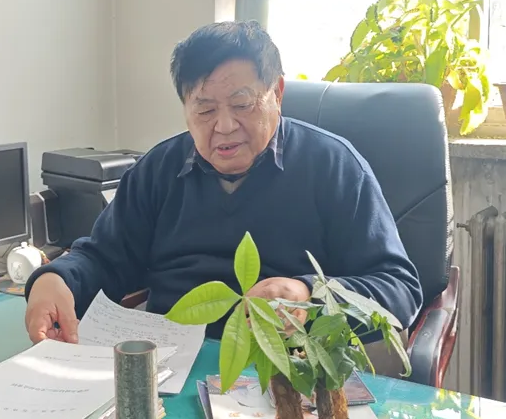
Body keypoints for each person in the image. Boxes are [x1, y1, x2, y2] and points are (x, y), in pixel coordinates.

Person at [24, 21, 422, 345]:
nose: (225, 126)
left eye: (242, 104)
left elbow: (399, 290)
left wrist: (307, 294)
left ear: (277, 93)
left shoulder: (334, 167)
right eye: (205, 110)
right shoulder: (158, 169)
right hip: (169, 365)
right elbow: (103, 258)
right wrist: (55, 279)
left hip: (288, 369)